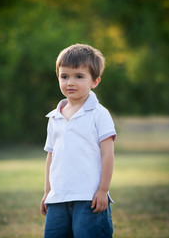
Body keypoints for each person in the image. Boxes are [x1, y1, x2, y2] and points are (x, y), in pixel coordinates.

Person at [40, 44, 117, 238]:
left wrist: (103, 190)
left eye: (79, 76)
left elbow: (107, 153)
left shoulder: (99, 114)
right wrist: (48, 192)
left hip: (88, 198)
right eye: (64, 76)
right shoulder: (54, 117)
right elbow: (51, 156)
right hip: (58, 198)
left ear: (95, 81)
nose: (70, 82)